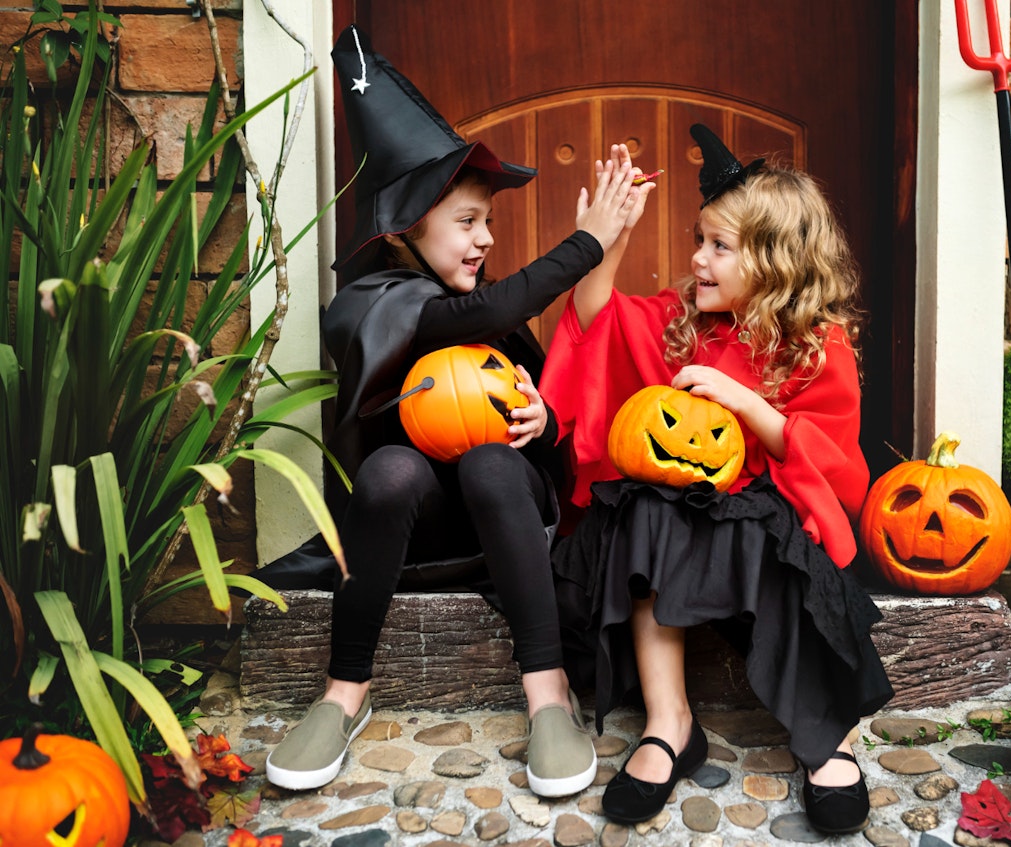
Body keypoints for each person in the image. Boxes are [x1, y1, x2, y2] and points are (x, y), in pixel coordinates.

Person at [259, 25, 642, 797]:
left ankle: (549, 694)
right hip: (410, 529)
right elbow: (455, 321)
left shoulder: (488, 315)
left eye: (487, 224)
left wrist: (544, 420)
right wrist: (584, 244)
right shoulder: (366, 305)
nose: (485, 240)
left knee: (494, 458)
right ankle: (344, 692)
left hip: (498, 516)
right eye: (467, 221)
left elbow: (543, 405)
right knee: (394, 465)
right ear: (408, 223)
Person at [541, 126, 895, 833]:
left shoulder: (820, 349)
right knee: (638, 503)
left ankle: (832, 733)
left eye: (718, 246)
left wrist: (752, 406)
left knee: (796, 553)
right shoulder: (683, 325)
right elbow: (597, 324)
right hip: (687, 544)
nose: (696, 258)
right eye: (698, 240)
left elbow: (835, 476)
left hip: (768, 545)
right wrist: (603, 240)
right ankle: (669, 721)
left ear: (776, 262)